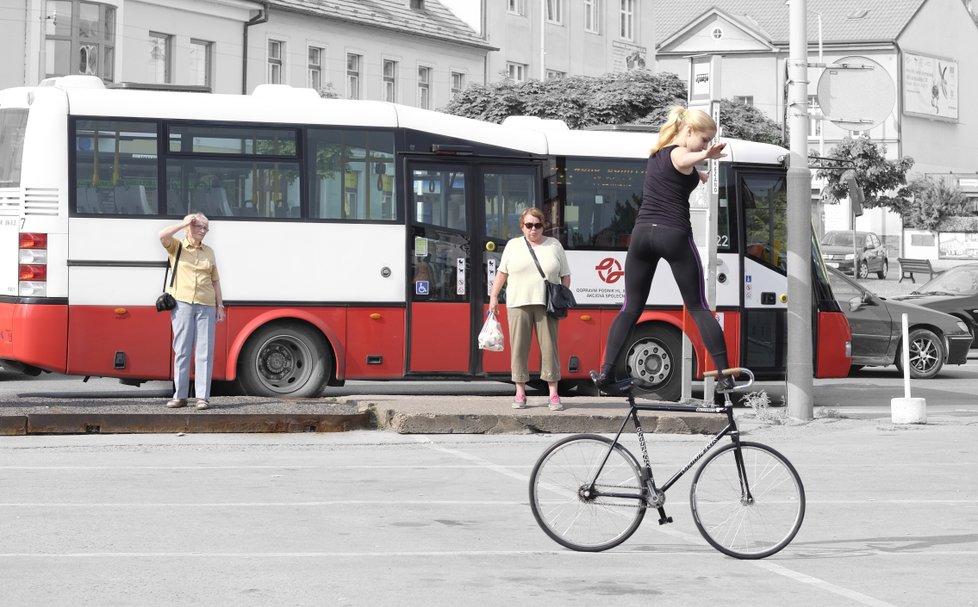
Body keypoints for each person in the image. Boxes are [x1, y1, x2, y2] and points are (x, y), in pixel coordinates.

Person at [592, 106, 734, 395]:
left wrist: (701, 174)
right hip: (673, 234)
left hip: (642, 235)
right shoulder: (679, 152)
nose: (705, 144)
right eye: (704, 139)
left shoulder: (656, 154)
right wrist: (706, 156)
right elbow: (684, 158)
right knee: (697, 306)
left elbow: (681, 171)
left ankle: (606, 373)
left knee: (630, 307)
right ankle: (725, 375)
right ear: (689, 130)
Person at [489, 208, 571, 411]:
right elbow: (502, 273)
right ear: (522, 226)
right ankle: (520, 392)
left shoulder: (554, 245)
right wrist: (493, 297)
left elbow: (565, 275)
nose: (533, 229)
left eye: (538, 225)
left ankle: (553, 394)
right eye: (529, 225)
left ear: (544, 226)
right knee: (519, 349)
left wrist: (561, 295)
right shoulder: (513, 245)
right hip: (517, 303)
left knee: (550, 349)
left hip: (547, 305)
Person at [159, 213, 225, 410]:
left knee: (205, 352)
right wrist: (183, 223)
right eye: (199, 227)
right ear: (190, 227)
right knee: (182, 351)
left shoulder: (209, 252)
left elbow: (215, 281)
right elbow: (162, 236)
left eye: (206, 228)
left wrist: (220, 305)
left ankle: (202, 397)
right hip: (183, 304)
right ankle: (180, 396)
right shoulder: (177, 247)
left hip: (206, 305)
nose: (203, 231)